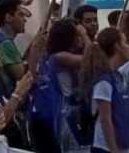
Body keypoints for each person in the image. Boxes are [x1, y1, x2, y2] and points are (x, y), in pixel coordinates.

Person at [31, 18, 89, 153]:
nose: (80, 39)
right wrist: (85, 35)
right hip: (68, 116)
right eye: (77, 36)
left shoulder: (64, 56)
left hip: (74, 113)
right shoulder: (59, 57)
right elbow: (91, 59)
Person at [80, 28, 129, 153]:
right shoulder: (104, 81)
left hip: (124, 144)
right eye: (125, 42)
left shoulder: (118, 76)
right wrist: (113, 149)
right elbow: (105, 119)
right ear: (117, 46)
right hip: (106, 147)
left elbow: (125, 112)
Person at [0, 0, 27, 93]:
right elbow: (21, 75)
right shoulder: (5, 43)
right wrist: (35, 49)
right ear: (8, 18)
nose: (25, 20)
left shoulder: (2, 40)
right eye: (21, 15)